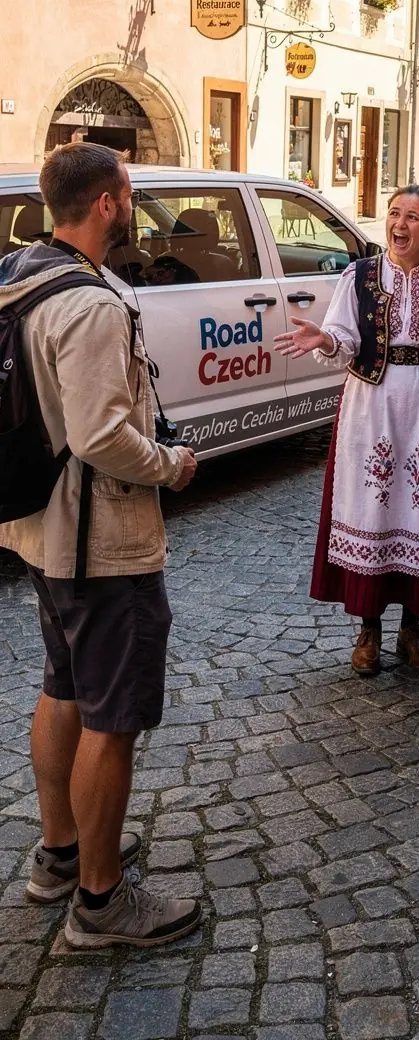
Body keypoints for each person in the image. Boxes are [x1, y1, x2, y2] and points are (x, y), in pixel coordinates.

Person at [0, 143, 200, 949]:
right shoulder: (90, 306)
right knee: (111, 719)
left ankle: (59, 855)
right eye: (129, 191)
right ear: (110, 203)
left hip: (42, 534)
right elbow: (102, 438)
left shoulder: (21, 271)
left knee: (64, 690)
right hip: (100, 541)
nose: (132, 202)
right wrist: (173, 466)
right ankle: (101, 900)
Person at [274, 186, 419, 677]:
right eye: (394, 213)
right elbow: (344, 336)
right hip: (371, 402)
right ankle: (368, 629)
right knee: (373, 504)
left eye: (413, 216)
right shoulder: (360, 276)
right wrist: (325, 338)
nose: (400, 223)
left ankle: (412, 629)